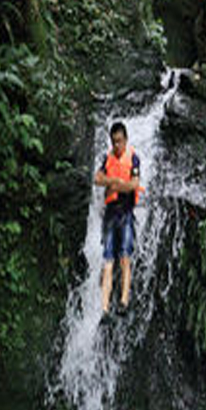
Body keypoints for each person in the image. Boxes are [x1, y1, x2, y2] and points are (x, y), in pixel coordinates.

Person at [94, 122, 142, 315]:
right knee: (108, 260)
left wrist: (117, 185)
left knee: (124, 257)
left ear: (126, 139)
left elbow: (134, 184)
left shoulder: (134, 158)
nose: (117, 146)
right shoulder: (107, 159)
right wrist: (112, 181)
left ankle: (123, 301)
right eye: (114, 142)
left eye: (120, 141)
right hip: (111, 213)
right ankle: (104, 308)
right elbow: (97, 179)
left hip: (126, 213)